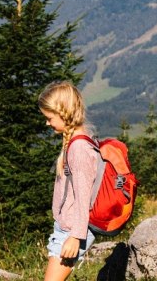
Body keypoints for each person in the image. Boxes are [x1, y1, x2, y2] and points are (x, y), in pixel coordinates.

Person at [39, 81, 101, 281]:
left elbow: (83, 197)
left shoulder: (79, 149)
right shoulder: (76, 142)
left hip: (72, 230)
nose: (47, 123)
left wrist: (75, 236)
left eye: (49, 118)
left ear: (63, 113)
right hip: (67, 227)